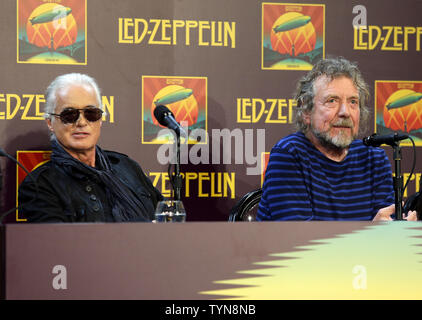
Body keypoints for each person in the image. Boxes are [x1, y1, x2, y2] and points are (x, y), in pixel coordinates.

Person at [257, 57, 417, 221]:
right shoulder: (289, 154)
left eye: (353, 102)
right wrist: (371, 235)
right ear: (306, 111)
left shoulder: (374, 159)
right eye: (332, 101)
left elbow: (385, 228)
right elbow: (299, 241)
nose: (345, 112)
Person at [19, 73, 163, 222]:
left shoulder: (127, 167)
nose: (82, 122)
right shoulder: (41, 185)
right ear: (50, 123)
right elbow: (56, 243)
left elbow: (165, 224)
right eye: (69, 115)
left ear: (100, 119)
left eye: (91, 113)